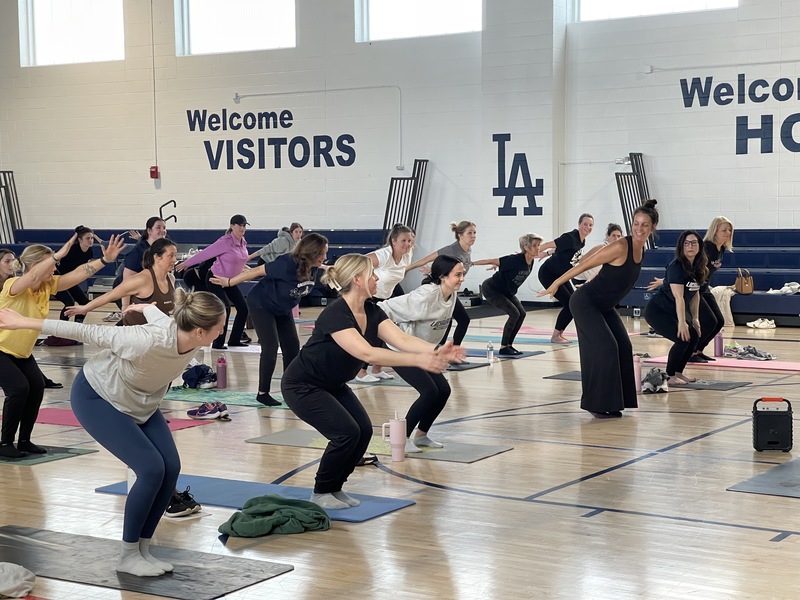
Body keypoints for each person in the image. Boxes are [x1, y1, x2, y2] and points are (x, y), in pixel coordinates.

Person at [0, 290, 226, 576]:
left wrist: (144, 307)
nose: (222, 331)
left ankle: (143, 550)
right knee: (151, 469)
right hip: (98, 397)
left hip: (141, 401)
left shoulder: (183, 330)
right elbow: (85, 330)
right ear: (198, 331)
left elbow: (156, 315)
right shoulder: (145, 341)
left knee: (170, 467)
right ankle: (128, 555)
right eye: (220, 326)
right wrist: (24, 322)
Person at [280, 254, 465, 510]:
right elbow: (367, 353)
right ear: (357, 280)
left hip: (332, 384)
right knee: (346, 433)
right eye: (372, 275)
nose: (377, 278)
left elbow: (402, 339)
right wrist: (418, 361)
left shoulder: (371, 310)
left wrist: (434, 352)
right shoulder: (335, 314)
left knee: (364, 431)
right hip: (303, 385)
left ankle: (335, 487)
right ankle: (321, 491)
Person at [0, 234, 125, 458]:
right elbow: (32, 276)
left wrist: (104, 260)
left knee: (36, 388)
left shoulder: (48, 286)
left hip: (22, 352)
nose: (54, 269)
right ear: (37, 265)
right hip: (1, 350)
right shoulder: (13, 285)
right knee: (19, 389)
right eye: (51, 264)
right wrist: (57, 255)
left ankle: (25, 440)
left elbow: (77, 275)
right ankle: (4, 443)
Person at [539, 201, 659, 418]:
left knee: (623, 346)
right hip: (585, 302)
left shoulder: (641, 250)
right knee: (605, 347)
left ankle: (616, 402)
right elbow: (583, 265)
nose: (639, 229)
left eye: (645, 225)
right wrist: (556, 283)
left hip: (605, 306)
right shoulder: (621, 246)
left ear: (652, 228)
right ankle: (595, 403)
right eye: (636, 224)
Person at [211, 233, 329, 407]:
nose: (325, 257)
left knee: (292, 347)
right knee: (271, 346)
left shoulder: (314, 268)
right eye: (322, 253)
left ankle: (291, 388)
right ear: (312, 252)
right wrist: (229, 282)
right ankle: (262, 393)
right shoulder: (287, 262)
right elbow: (258, 271)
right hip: (261, 304)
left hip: (282, 307)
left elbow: (330, 270)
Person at [377, 255, 465, 452]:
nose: (462, 279)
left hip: (426, 352)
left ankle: (421, 436)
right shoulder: (424, 296)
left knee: (443, 391)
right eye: (458, 275)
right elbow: (383, 308)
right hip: (401, 350)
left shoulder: (451, 294)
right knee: (429, 392)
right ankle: (400, 439)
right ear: (443, 276)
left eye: (462, 274)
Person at [647, 217, 733, 363]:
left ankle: (697, 350)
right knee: (711, 321)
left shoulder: (721, 249)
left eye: (730, 230)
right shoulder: (707, 247)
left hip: (704, 288)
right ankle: (692, 352)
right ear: (715, 231)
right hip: (695, 290)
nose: (728, 233)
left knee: (719, 321)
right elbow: (685, 270)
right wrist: (665, 281)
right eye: (724, 230)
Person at [176, 214, 250, 349]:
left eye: (244, 225)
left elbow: (240, 261)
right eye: (239, 225)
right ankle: (218, 343)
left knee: (243, 308)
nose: (242, 228)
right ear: (232, 226)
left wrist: (250, 270)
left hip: (229, 281)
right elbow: (205, 253)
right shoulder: (225, 241)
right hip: (215, 279)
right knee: (225, 308)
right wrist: (186, 263)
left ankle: (234, 340)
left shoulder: (243, 242)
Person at [644, 229, 708, 385]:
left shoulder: (700, 268)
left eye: (694, 243)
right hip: (657, 311)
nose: (690, 246)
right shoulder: (676, 267)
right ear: (682, 246)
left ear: (699, 246)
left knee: (693, 337)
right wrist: (682, 322)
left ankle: (678, 372)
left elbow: (695, 294)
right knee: (683, 339)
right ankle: (670, 375)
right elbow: (679, 297)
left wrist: (695, 319)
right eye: (686, 243)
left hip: (672, 310)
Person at [65, 238, 177, 326]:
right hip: (135, 335)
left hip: (159, 335)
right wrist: (85, 308)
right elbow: (110, 296)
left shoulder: (171, 279)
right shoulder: (141, 280)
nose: (175, 260)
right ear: (157, 257)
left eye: (175, 255)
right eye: (170, 256)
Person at [355, 223, 415, 383]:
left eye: (409, 241)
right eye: (403, 241)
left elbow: (399, 273)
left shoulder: (407, 254)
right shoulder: (383, 255)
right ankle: (360, 371)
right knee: (371, 333)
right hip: (370, 296)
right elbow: (358, 263)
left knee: (384, 331)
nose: (407, 244)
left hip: (386, 296)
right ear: (393, 241)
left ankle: (377, 368)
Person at [406, 221, 477, 346]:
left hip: (449, 290)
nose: (473, 236)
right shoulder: (451, 250)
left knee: (461, 320)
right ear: (460, 235)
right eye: (469, 233)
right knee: (449, 321)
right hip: (436, 287)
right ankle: (438, 351)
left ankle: (448, 351)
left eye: (474, 233)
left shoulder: (467, 250)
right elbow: (426, 259)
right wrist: (407, 269)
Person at [474, 233, 543, 356]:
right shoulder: (515, 259)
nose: (538, 248)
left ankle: (509, 345)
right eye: (535, 245)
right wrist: (471, 263)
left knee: (521, 314)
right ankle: (504, 346)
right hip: (492, 289)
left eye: (539, 245)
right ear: (526, 247)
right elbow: (491, 260)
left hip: (507, 291)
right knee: (514, 313)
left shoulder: (531, 261)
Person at [537, 214, 595, 343]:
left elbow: (559, 249)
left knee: (573, 302)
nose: (588, 227)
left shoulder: (581, 241)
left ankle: (559, 334)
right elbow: (547, 244)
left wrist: (546, 254)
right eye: (585, 224)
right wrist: (528, 253)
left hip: (561, 276)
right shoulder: (570, 237)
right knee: (570, 304)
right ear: (579, 224)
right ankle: (555, 336)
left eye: (590, 225)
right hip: (548, 274)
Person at [116, 217, 168, 313]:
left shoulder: (163, 249)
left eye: (164, 228)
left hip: (147, 290)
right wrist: (125, 306)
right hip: (127, 291)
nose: (162, 231)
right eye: (158, 227)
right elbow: (127, 281)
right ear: (149, 231)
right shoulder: (137, 252)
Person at [53, 225, 99, 323]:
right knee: (69, 302)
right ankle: (62, 327)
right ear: (80, 239)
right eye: (87, 238)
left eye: (92, 238)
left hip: (69, 279)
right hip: (57, 279)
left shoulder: (89, 252)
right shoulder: (71, 249)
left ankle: (77, 325)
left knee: (84, 303)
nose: (90, 240)